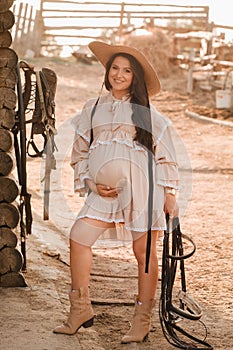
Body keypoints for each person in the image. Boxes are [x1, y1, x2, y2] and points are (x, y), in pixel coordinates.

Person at [53, 40, 179, 343]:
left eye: (126, 71)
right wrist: (92, 183)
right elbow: (79, 153)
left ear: (135, 78)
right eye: (114, 68)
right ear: (107, 72)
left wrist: (170, 194)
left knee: (143, 251)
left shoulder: (149, 114)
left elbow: (167, 157)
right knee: (79, 237)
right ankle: (79, 309)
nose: (119, 74)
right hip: (104, 193)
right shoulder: (93, 108)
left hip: (143, 191)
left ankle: (142, 318)